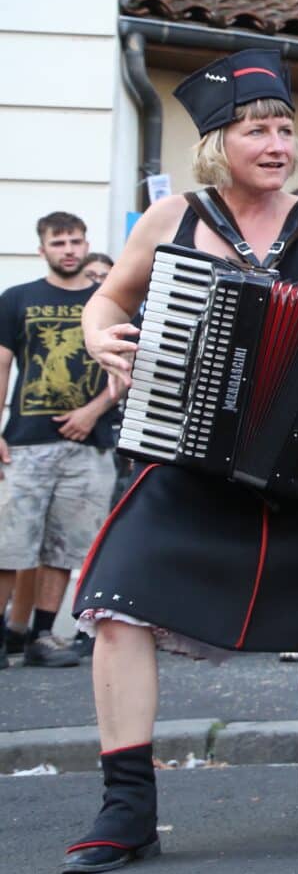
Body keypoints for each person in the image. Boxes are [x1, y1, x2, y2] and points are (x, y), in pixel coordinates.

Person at [63, 49, 298, 874]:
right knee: (116, 604)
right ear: (220, 142)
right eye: (259, 129)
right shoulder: (173, 218)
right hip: (183, 452)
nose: (278, 142)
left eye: (286, 127)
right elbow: (110, 297)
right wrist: (99, 333)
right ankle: (127, 803)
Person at [0, 212, 117, 672]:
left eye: (75, 241)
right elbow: (3, 365)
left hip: (89, 444)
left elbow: (125, 371)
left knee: (65, 546)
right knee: (9, 545)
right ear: (42, 249)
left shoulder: (105, 303)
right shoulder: (17, 299)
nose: (69, 249)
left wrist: (91, 413)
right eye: (59, 242)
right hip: (26, 442)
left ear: (86, 243)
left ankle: (42, 636)